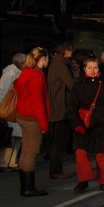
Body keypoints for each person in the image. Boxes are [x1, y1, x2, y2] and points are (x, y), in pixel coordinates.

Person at [69, 57, 104, 192]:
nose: (92, 70)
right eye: (89, 68)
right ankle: (83, 180)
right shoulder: (78, 85)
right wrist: (76, 124)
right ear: (84, 69)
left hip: (101, 124)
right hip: (82, 124)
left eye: (95, 68)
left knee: (101, 154)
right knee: (80, 152)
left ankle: (103, 181)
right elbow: (72, 107)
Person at [13, 48, 51, 197]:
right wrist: (44, 125)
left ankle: (25, 186)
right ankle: (29, 187)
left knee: (25, 151)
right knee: (32, 151)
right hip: (32, 118)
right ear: (43, 58)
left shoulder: (26, 72)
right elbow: (38, 104)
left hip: (22, 115)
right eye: (47, 58)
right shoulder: (36, 76)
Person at [45, 43, 75, 180]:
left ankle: (55, 170)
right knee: (60, 142)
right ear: (66, 52)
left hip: (55, 107)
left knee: (57, 141)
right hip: (61, 108)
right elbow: (71, 85)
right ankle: (56, 170)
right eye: (70, 50)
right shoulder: (61, 66)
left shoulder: (54, 64)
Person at [0, 54, 26, 173]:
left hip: (17, 109)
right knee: (9, 136)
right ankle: (3, 162)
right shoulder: (10, 73)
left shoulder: (19, 72)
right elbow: (1, 93)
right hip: (10, 109)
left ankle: (12, 161)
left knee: (17, 137)